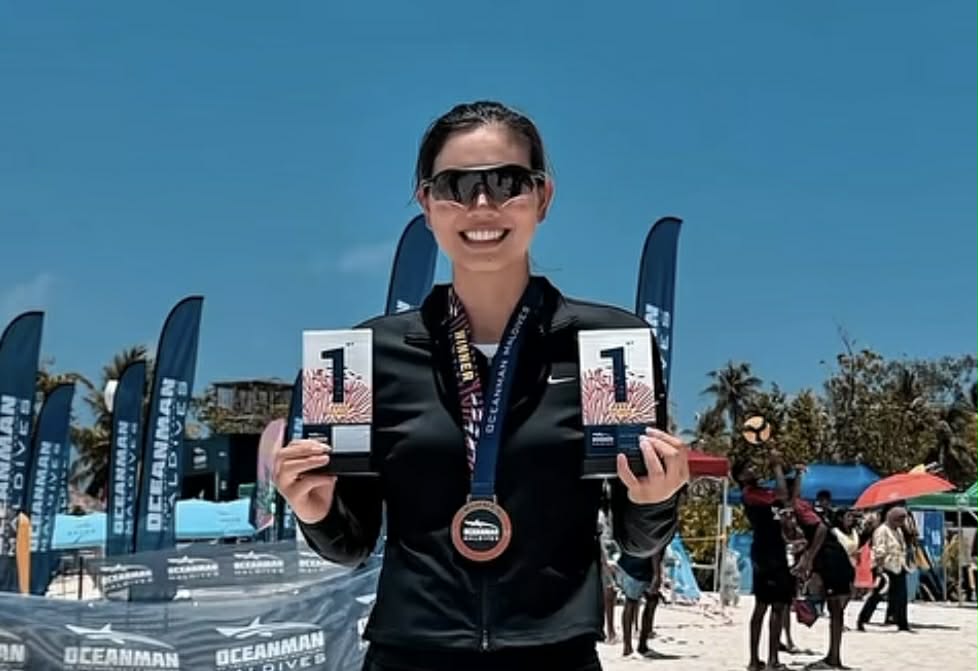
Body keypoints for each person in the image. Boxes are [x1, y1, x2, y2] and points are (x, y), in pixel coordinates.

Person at [273, 100, 689, 671]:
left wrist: (656, 500)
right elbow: (349, 547)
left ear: (543, 197)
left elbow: (638, 541)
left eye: (507, 182)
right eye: (456, 186)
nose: (482, 204)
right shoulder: (356, 356)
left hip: (556, 654)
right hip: (407, 654)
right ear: (426, 204)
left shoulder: (612, 345)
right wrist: (314, 510)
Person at [733, 451, 793, 671]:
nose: (754, 469)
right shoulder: (750, 493)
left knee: (766, 606)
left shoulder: (757, 492)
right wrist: (777, 466)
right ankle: (771, 661)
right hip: (768, 552)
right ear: (740, 477)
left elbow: (788, 500)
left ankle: (758, 661)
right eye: (748, 467)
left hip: (769, 549)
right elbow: (782, 494)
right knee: (772, 606)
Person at [792, 485, 855, 669]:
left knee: (835, 608)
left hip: (831, 561)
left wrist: (808, 560)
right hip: (834, 560)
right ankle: (834, 657)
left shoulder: (800, 507)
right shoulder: (803, 508)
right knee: (836, 610)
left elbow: (820, 530)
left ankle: (833, 658)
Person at [615, 550, 659, 658]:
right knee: (634, 602)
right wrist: (657, 573)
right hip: (641, 566)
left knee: (636, 601)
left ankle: (632, 646)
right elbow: (655, 549)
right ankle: (634, 646)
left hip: (626, 563)